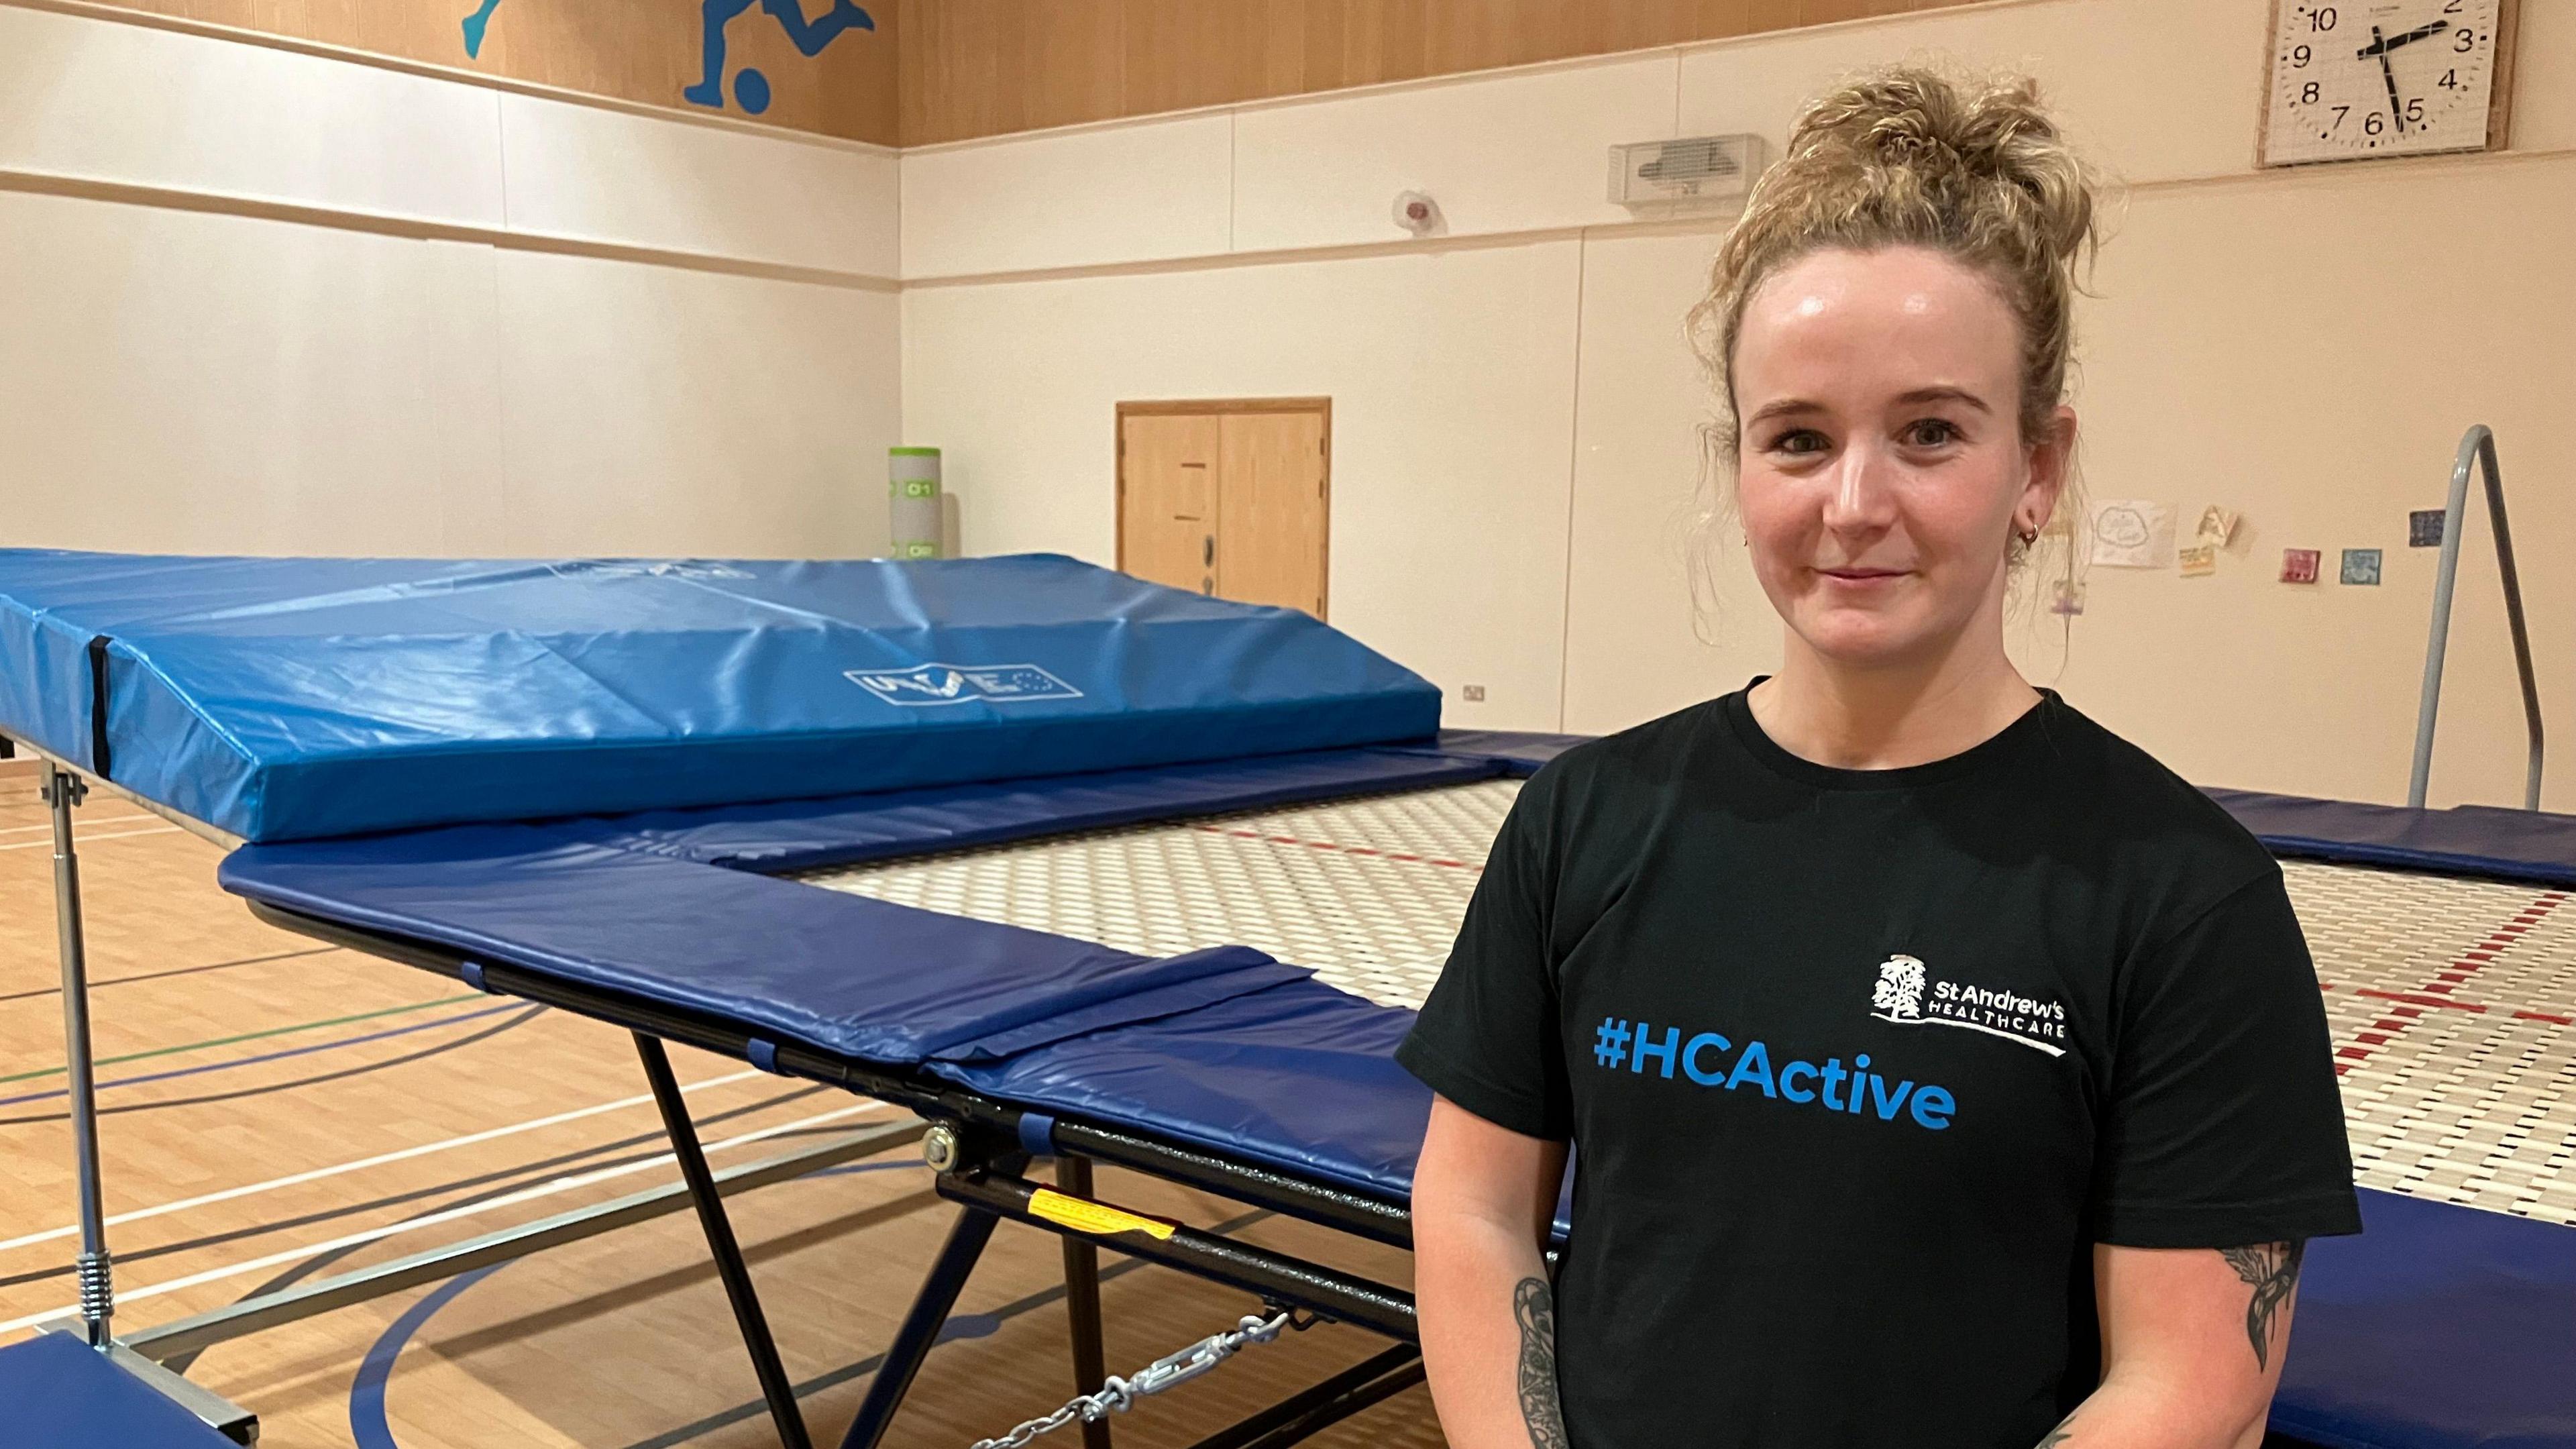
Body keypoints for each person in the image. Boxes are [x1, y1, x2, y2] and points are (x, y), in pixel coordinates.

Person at [1399, 66, 2361, 1449]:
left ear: (2037, 467)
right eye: (1799, 438)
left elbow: (2193, 1383)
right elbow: (1477, 1209)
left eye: (1928, 432)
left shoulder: (2178, 895)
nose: (1855, 503)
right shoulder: (1587, 821)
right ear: (1741, 465)